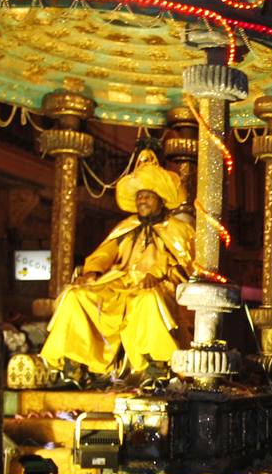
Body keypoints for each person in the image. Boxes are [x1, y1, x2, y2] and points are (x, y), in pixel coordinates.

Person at [40, 149, 197, 379]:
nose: (141, 199)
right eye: (139, 196)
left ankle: (155, 366)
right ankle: (73, 364)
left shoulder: (179, 229)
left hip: (158, 287)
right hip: (119, 285)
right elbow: (104, 253)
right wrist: (92, 272)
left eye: (147, 195)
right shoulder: (126, 226)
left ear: (161, 200)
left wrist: (160, 275)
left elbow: (188, 269)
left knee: (148, 300)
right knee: (76, 295)